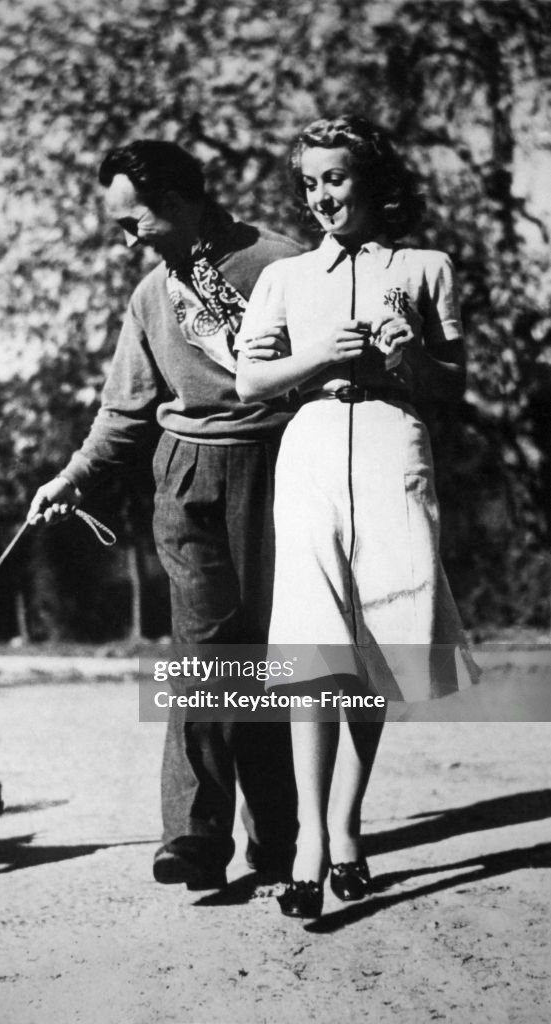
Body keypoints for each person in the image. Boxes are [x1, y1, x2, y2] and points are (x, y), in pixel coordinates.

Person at [28, 139, 301, 890]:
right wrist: (71, 479)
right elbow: (125, 410)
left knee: (261, 660)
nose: (124, 242)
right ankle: (193, 835)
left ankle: (277, 839)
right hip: (183, 479)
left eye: (132, 223)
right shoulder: (149, 295)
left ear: (179, 201)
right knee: (203, 654)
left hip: (277, 470)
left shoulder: (283, 264)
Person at [235, 115, 479, 919]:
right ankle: (306, 837)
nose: (321, 196)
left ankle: (345, 826)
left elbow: (453, 382)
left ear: (374, 180)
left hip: (390, 448)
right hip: (308, 452)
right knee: (313, 642)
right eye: (308, 183)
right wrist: (321, 359)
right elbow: (249, 382)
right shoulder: (285, 278)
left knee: (372, 642)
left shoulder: (425, 266)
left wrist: (410, 354)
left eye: (335, 178)